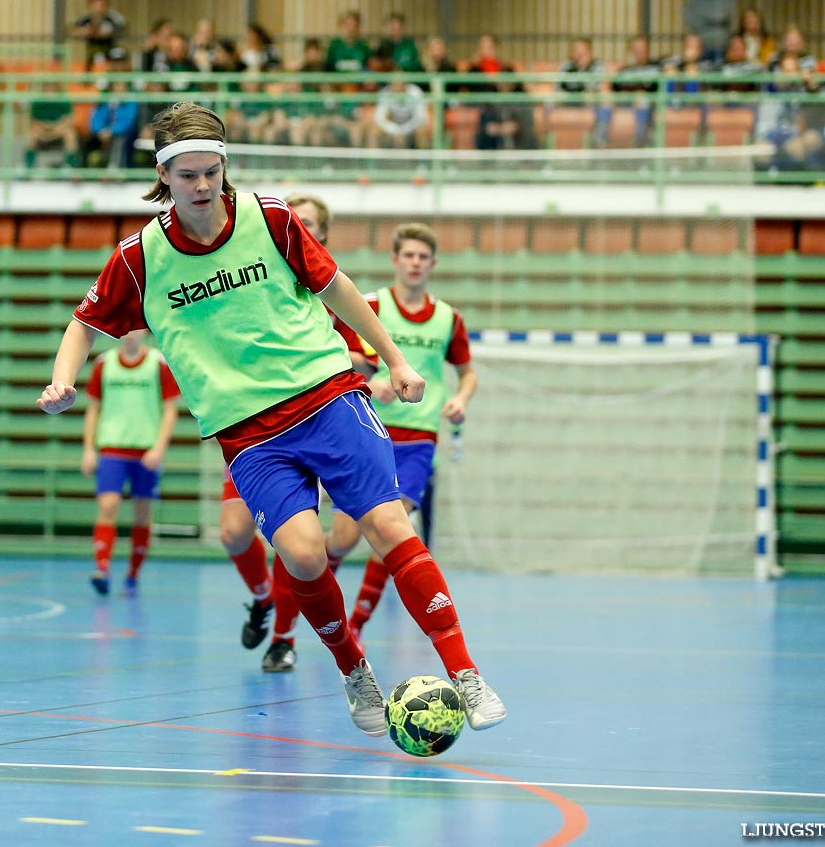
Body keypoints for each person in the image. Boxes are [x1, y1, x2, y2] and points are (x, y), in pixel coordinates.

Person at [39, 101, 506, 735]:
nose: (202, 186)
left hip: (326, 396)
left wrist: (393, 359)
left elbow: (339, 289)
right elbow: (84, 324)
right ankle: (353, 669)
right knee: (305, 555)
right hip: (248, 433)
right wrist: (64, 378)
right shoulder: (139, 258)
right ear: (163, 177)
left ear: (224, 167)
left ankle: (465, 671)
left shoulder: (273, 220)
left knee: (389, 526)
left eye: (212, 172)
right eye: (188, 176)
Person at [225, 193, 375, 673]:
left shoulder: (331, 289)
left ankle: (285, 637)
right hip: (258, 427)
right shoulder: (252, 284)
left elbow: (362, 360)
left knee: (322, 542)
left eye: (307, 222)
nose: (296, 225)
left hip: (326, 421)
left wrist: (314, 354)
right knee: (232, 532)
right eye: (293, 219)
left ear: (321, 233)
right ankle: (263, 598)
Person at [345, 223, 477, 641]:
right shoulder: (371, 306)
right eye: (409, 256)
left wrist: (460, 400)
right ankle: (310, 596)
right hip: (369, 430)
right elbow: (340, 357)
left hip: (420, 438)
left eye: (423, 257)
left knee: (395, 530)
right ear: (395, 260)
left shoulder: (448, 319)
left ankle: (355, 625)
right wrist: (369, 382)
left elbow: (467, 373)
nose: (416, 263)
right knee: (343, 537)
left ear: (432, 264)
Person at [81, 329, 182, 596]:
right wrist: (89, 449)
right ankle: (102, 568)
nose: (129, 334)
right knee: (108, 505)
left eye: (134, 329)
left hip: (145, 451)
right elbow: (93, 408)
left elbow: (171, 409)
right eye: (124, 330)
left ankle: (133, 574)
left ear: (145, 332)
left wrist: (159, 448)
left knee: (142, 514)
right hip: (112, 448)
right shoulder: (104, 363)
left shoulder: (157, 363)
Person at [683, 0, 737, 64]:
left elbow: (732, 22)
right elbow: (692, 24)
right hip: (701, 51)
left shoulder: (728, 1)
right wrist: (719, 21)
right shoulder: (693, 3)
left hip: (724, 49)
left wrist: (705, 21)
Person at [72, 0, 126, 64]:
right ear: (91, 5)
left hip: (110, 50)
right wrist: (85, 31)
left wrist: (109, 33)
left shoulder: (113, 17)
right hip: (92, 51)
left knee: (120, 54)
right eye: (96, 4)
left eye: (102, 5)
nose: (99, 8)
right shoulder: (85, 17)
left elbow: (123, 29)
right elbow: (73, 30)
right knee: (97, 60)